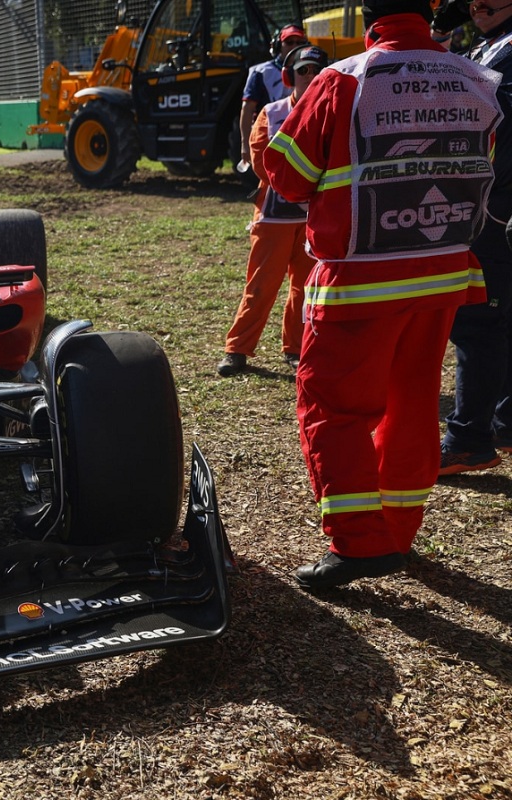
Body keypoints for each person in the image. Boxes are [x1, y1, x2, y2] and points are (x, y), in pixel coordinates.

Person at [260, 0, 502, 590]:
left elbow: (287, 177)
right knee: (414, 402)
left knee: (335, 408)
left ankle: (361, 546)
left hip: (360, 277)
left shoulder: (342, 80)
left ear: (370, 14)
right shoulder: (477, 77)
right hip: (445, 272)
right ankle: (397, 531)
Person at [430, 0, 512, 475]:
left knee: (478, 323)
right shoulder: (488, 44)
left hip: (493, 207)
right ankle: (504, 419)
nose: (476, 6)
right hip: (491, 204)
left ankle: (467, 438)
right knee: (500, 318)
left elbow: (497, 124)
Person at [217, 45, 327, 378]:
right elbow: (264, 161)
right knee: (261, 285)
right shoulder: (272, 112)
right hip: (274, 217)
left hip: (312, 218)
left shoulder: (332, 111)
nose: (309, 77)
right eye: (303, 71)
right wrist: (308, 173)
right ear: (288, 76)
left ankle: (294, 348)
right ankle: (236, 349)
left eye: (315, 71)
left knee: (306, 288)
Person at [237, 24, 308, 171]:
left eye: (299, 43)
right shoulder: (261, 72)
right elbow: (247, 108)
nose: (295, 46)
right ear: (277, 46)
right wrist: (245, 144)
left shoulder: (313, 70)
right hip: (269, 139)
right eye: (289, 42)